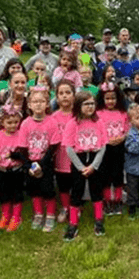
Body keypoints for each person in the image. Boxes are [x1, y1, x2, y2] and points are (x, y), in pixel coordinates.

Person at [62, 91, 111, 241]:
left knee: (97, 191)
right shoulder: (72, 123)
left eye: (92, 103)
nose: (90, 107)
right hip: (79, 161)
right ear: (78, 105)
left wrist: (94, 166)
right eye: (86, 104)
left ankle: (98, 220)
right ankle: (73, 224)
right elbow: (68, 148)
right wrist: (80, 167)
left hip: (95, 160)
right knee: (76, 192)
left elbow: (103, 145)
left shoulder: (99, 122)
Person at [19, 87, 61, 232]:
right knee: (34, 190)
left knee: (47, 190)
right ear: (29, 104)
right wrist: (30, 165)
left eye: (42, 101)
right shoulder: (25, 123)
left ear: (47, 104)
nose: (38, 105)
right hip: (30, 162)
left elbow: (54, 145)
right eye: (35, 102)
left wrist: (42, 164)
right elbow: (22, 147)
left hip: (46, 163)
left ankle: (50, 215)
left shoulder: (52, 122)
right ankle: (38, 214)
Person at [0, 105, 29, 232]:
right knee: (4, 193)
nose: (13, 125)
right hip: (2, 170)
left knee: (17, 193)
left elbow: (25, 153)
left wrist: (17, 157)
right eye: (9, 122)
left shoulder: (22, 134)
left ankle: (16, 216)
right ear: (2, 122)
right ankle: (5, 215)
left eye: (16, 122)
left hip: (17, 170)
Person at [96, 82, 130, 216]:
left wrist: (122, 137)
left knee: (117, 174)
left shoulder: (122, 113)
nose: (110, 101)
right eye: (107, 98)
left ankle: (117, 200)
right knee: (104, 175)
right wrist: (106, 140)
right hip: (104, 149)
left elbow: (127, 129)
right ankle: (107, 200)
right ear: (102, 99)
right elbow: (96, 130)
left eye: (113, 98)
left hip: (119, 148)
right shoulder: (98, 113)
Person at [50, 80, 77, 224]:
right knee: (63, 185)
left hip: (77, 157)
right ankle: (65, 207)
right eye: (61, 93)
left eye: (68, 93)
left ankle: (75, 206)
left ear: (74, 95)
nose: (65, 96)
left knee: (76, 183)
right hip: (60, 157)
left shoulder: (78, 115)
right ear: (57, 97)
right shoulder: (53, 117)